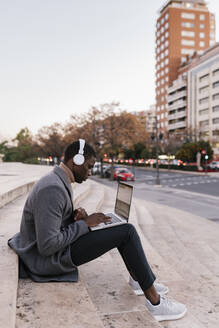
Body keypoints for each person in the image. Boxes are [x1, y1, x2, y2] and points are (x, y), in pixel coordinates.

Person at [8, 139, 187, 322]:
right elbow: (47, 245)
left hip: (53, 250)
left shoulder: (58, 180)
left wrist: (76, 217)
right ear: (76, 161)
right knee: (127, 232)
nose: (90, 172)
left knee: (120, 228)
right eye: (89, 166)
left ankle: (140, 280)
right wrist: (84, 225)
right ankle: (156, 303)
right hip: (46, 260)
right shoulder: (52, 188)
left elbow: (54, 222)